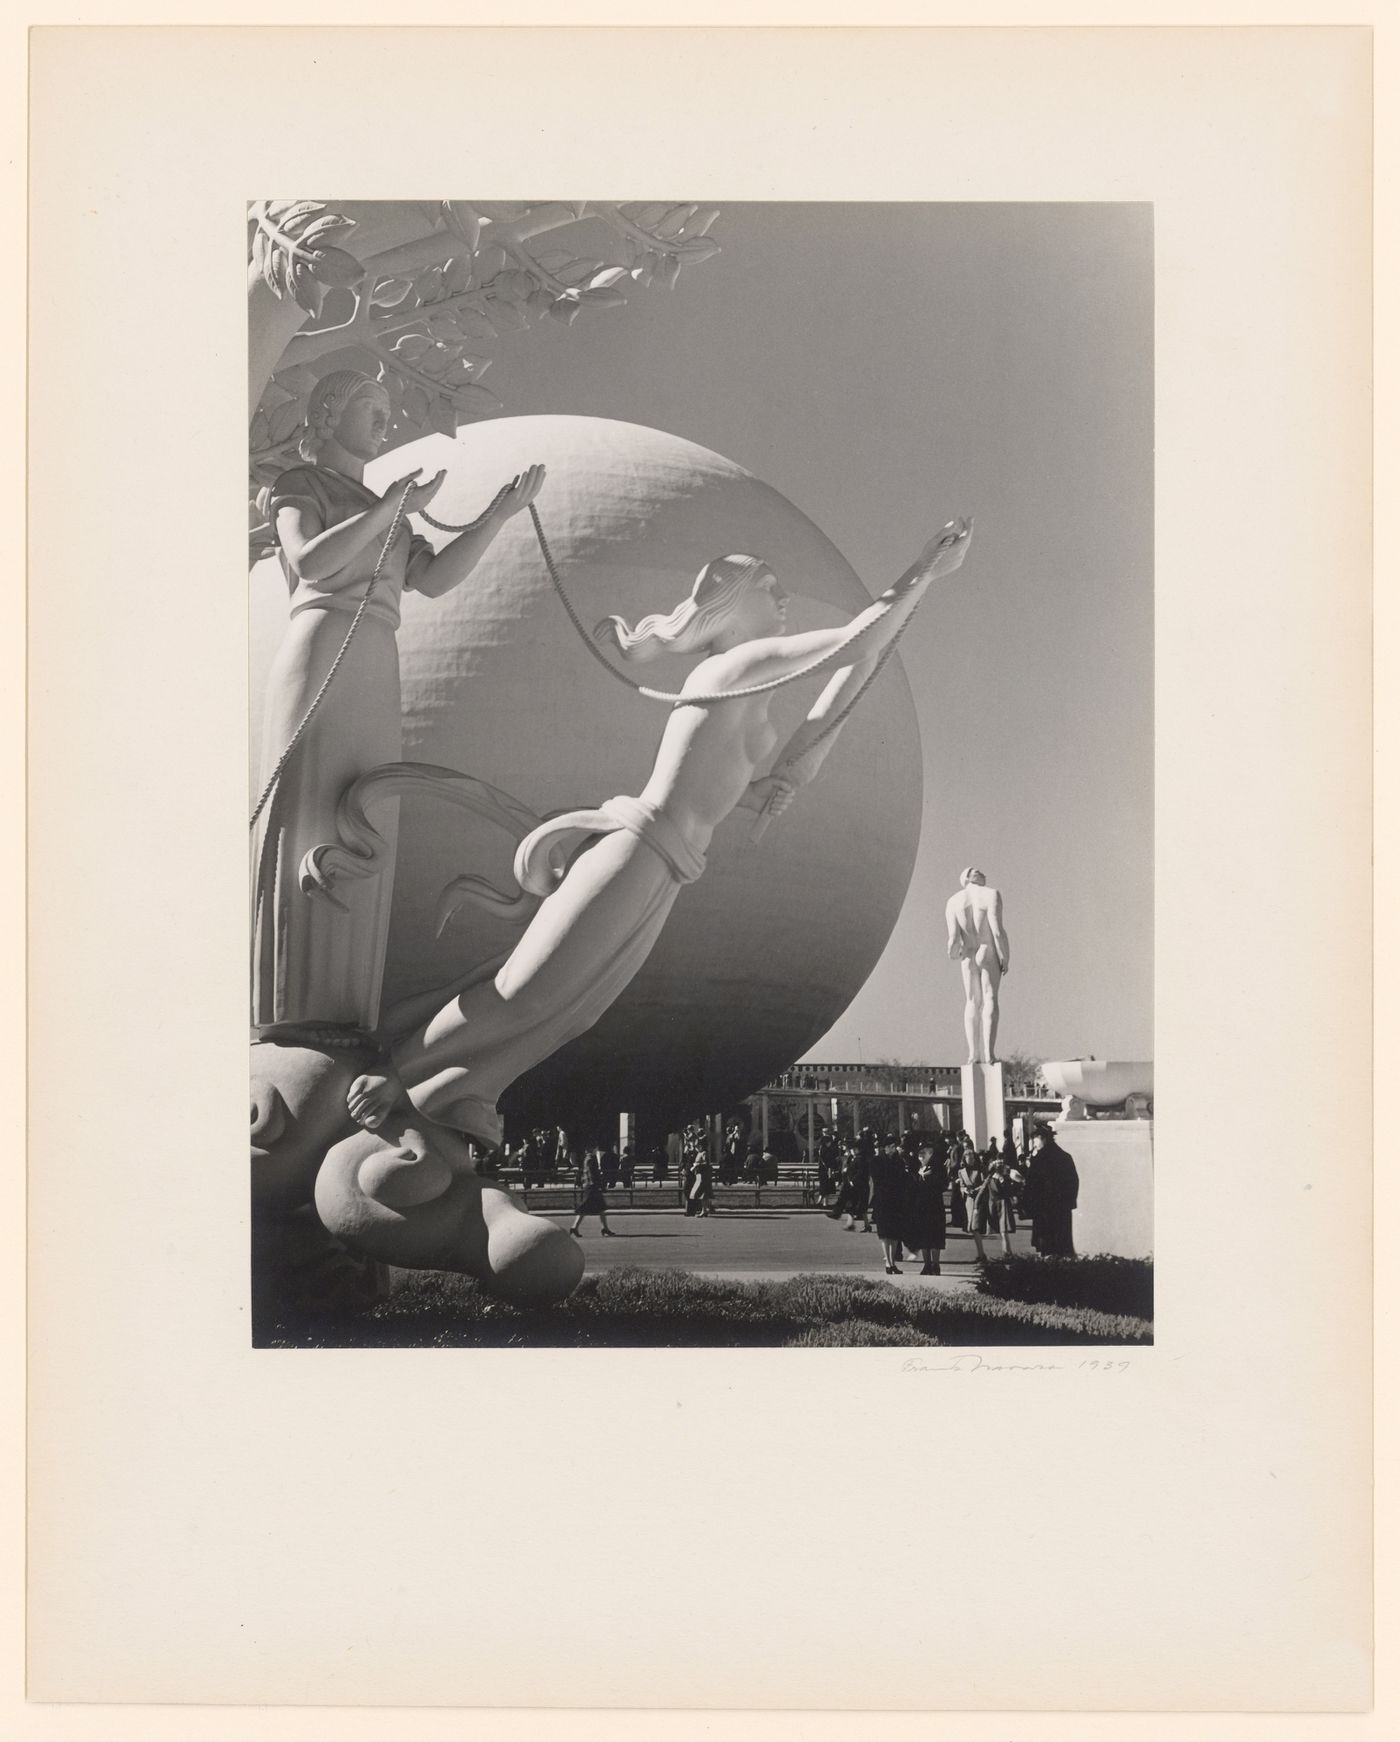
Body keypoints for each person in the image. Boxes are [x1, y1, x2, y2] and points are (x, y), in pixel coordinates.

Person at [345, 517, 975, 1141]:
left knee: (573, 1012)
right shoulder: (731, 669)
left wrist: (765, 787)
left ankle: (453, 1091)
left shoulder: (751, 687)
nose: (783, 600)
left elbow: (828, 706)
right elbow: (853, 644)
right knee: (528, 993)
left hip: (667, 867)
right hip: (636, 850)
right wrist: (921, 572)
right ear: (730, 606)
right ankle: (395, 1073)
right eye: (768, 588)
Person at [253, 369, 544, 1034]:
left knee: (369, 809)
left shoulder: (385, 508)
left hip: (376, 660)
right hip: (322, 642)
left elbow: (435, 579)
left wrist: (496, 517)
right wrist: (387, 509)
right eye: (369, 407)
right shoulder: (305, 487)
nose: (383, 421)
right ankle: (290, 1015)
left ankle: (347, 1007)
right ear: (329, 413)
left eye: (386, 409)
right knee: (310, 814)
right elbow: (311, 563)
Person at [945, 867, 1011, 1065]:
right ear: (966, 877)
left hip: (968, 955)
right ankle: (989, 1054)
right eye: (975, 870)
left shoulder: (953, 901)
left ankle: (973, 1054)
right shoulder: (991, 894)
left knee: (972, 1001)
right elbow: (997, 931)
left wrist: (953, 954)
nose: (982, 871)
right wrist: (1005, 956)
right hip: (986, 949)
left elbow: (953, 940)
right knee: (990, 998)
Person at [1025, 1124, 1079, 1256]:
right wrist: (1068, 1203)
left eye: (1035, 1140)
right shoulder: (1065, 1157)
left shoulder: (1039, 1160)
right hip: (1062, 1209)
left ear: (1042, 1138)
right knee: (1062, 1244)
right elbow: (1073, 1183)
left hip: (1044, 1210)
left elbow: (1032, 1185)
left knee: (1046, 1246)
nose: (1034, 1144)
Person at [904, 1139, 948, 1275]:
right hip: (920, 1207)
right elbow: (911, 1188)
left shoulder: (938, 1168)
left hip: (934, 1207)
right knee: (923, 1237)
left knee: (935, 1237)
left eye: (924, 1152)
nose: (921, 1155)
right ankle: (926, 1264)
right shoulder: (917, 1169)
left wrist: (929, 1178)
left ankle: (936, 1265)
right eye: (920, 1153)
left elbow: (943, 1185)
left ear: (931, 1153)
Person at [869, 1137, 908, 1274]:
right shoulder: (877, 1161)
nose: (893, 1149)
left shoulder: (899, 1161)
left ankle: (893, 1263)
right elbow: (878, 1180)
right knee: (885, 1233)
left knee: (895, 1234)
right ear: (884, 1147)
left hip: (897, 1200)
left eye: (894, 1146)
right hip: (883, 1200)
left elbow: (903, 1178)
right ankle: (888, 1262)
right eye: (890, 1146)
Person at [570, 1147, 615, 1237]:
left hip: (589, 1185)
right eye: (595, 1149)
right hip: (592, 1186)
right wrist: (598, 1185)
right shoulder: (591, 1159)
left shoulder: (586, 1159)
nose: (596, 1150)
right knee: (592, 1207)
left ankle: (604, 1228)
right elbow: (592, 1173)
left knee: (598, 1207)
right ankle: (603, 1228)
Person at [958, 1146, 991, 1264]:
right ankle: (981, 1254)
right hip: (969, 1201)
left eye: (972, 1158)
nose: (971, 1160)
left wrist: (975, 1190)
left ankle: (981, 1254)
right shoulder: (961, 1172)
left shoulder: (981, 1169)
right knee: (973, 1228)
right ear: (964, 1159)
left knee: (975, 1227)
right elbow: (961, 1186)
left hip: (979, 1200)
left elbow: (985, 1183)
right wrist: (965, 1190)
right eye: (968, 1158)